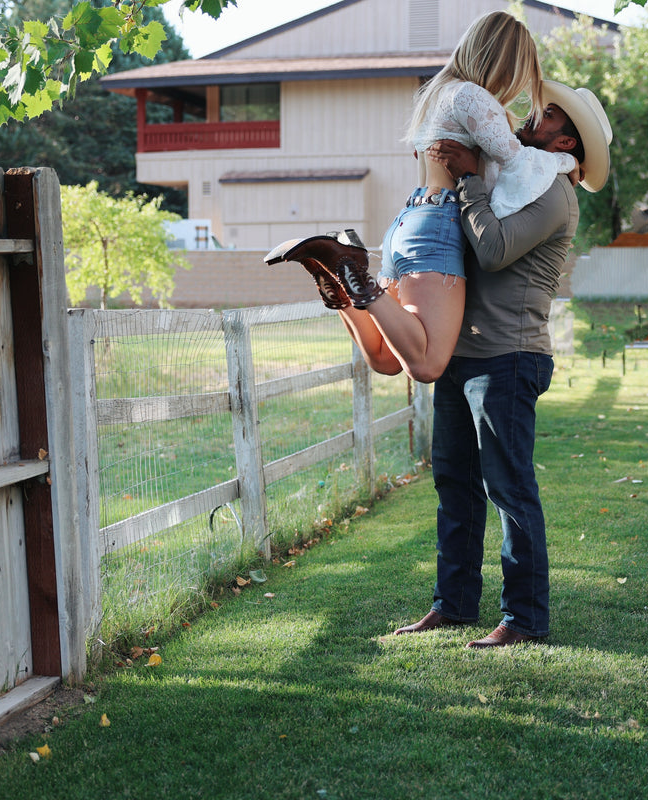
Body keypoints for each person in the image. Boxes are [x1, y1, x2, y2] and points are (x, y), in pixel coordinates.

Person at [393, 80, 612, 647]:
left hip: (509, 359)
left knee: (508, 490)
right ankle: (454, 604)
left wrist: (466, 178)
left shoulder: (555, 195)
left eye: (548, 116)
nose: (531, 116)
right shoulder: (513, 181)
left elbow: (491, 249)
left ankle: (524, 620)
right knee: (454, 485)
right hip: (461, 355)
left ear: (566, 143)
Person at [265, 11, 576, 384]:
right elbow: (518, 165)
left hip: (409, 221)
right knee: (426, 366)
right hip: (439, 226)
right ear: (508, 64)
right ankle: (352, 270)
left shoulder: (435, 97)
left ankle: (340, 277)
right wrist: (565, 159)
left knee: (384, 358)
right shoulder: (473, 97)